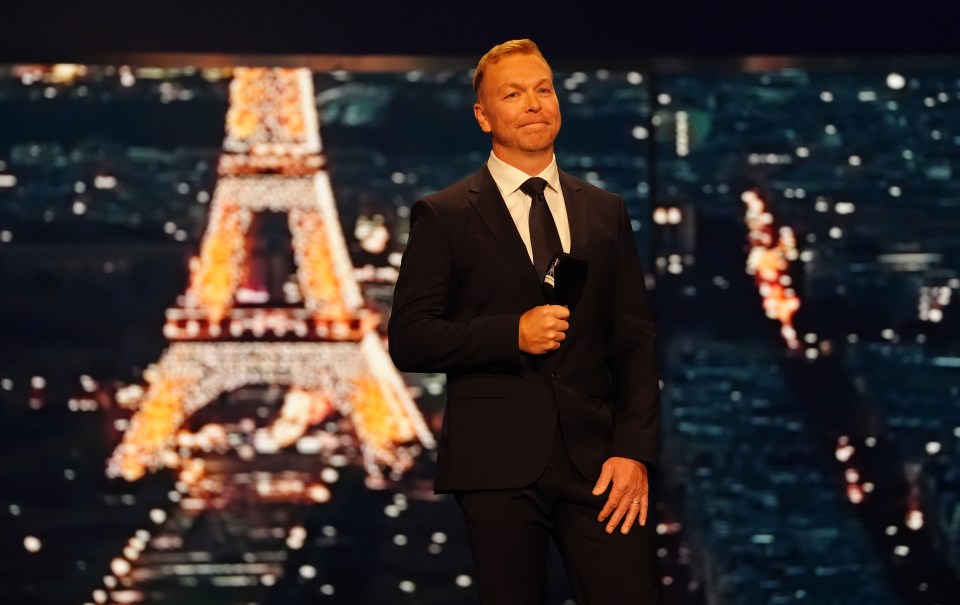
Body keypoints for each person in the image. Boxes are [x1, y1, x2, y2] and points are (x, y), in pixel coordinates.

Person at [388, 38, 661, 604]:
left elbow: (634, 342)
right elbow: (410, 339)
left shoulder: (604, 210)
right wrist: (511, 334)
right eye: (513, 94)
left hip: (600, 465)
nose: (534, 104)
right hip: (496, 465)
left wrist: (633, 450)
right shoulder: (445, 215)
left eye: (543, 90)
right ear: (483, 116)